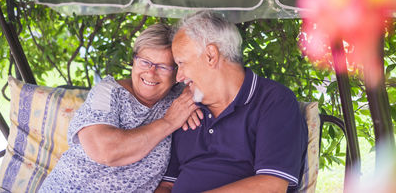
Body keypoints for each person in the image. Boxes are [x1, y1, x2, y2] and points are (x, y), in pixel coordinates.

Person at [156, 11, 308, 193]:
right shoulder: (186, 108)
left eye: (182, 63)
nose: (179, 77)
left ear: (211, 55)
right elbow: (168, 184)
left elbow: (272, 186)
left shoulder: (274, 101)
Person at [39, 23, 198, 192]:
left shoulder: (180, 100)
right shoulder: (109, 92)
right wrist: (169, 122)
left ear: (177, 73)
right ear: (134, 61)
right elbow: (105, 151)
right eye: (145, 62)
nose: (151, 73)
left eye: (163, 66)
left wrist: (192, 96)